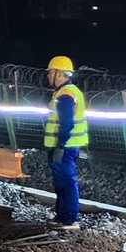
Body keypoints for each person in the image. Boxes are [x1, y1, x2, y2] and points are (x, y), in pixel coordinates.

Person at [45, 55, 87, 231]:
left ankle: (69, 219)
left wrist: (60, 145)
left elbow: (67, 123)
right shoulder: (69, 92)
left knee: (66, 183)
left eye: (50, 73)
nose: (47, 76)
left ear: (58, 73)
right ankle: (63, 217)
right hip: (67, 146)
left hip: (64, 147)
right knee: (62, 182)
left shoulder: (65, 96)